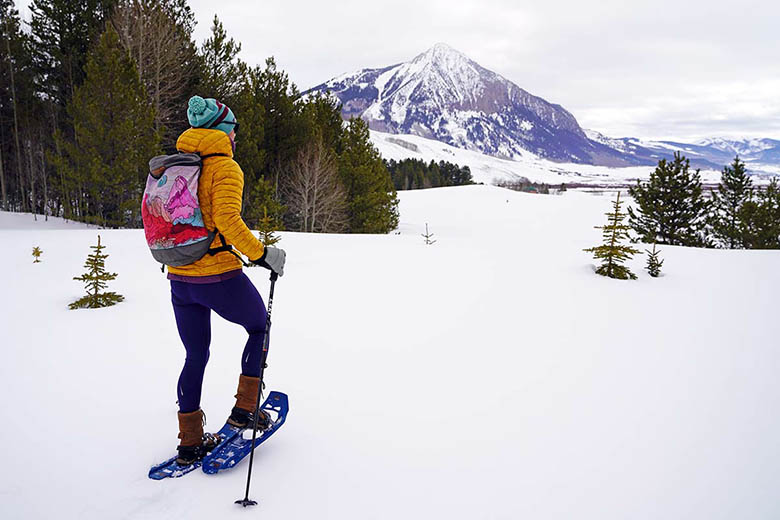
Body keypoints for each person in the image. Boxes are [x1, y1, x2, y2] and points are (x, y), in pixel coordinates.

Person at [168, 95, 286, 465]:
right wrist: (264, 255)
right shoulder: (225, 168)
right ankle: (245, 411)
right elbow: (228, 221)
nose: (235, 137)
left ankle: (189, 442)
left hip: (179, 277)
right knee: (259, 326)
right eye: (233, 130)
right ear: (221, 131)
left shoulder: (176, 166)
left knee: (195, 353)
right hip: (217, 275)